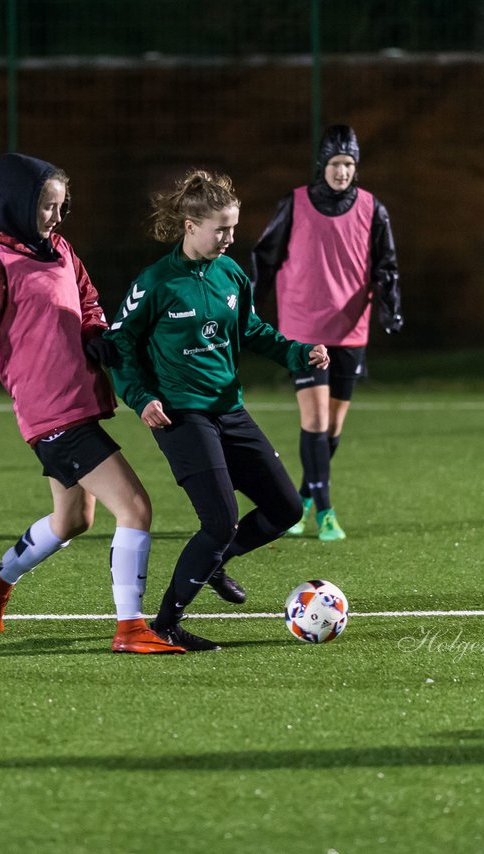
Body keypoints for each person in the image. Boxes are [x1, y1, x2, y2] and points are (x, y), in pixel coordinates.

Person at [0, 152, 183, 655]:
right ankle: (130, 629)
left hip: (75, 405)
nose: (56, 217)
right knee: (136, 507)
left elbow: (88, 299)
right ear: (15, 207)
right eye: (46, 207)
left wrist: (95, 331)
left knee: (74, 518)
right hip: (53, 415)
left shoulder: (59, 249)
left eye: (61, 206)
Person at [106, 170, 330, 651]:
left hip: (229, 410)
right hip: (181, 417)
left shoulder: (231, 275)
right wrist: (141, 398)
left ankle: (214, 562)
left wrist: (297, 353)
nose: (230, 237)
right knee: (220, 520)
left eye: (233, 227)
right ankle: (164, 624)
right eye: (221, 229)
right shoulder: (156, 283)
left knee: (286, 508)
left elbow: (250, 330)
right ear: (190, 225)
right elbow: (118, 345)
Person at [251, 124, 402, 541]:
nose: (342, 172)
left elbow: (385, 266)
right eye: (336, 164)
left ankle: (299, 502)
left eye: (349, 165)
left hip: (351, 329)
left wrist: (391, 309)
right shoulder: (295, 203)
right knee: (315, 420)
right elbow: (265, 257)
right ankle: (326, 513)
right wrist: (247, 305)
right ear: (323, 165)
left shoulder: (373, 208)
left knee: (332, 428)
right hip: (303, 328)